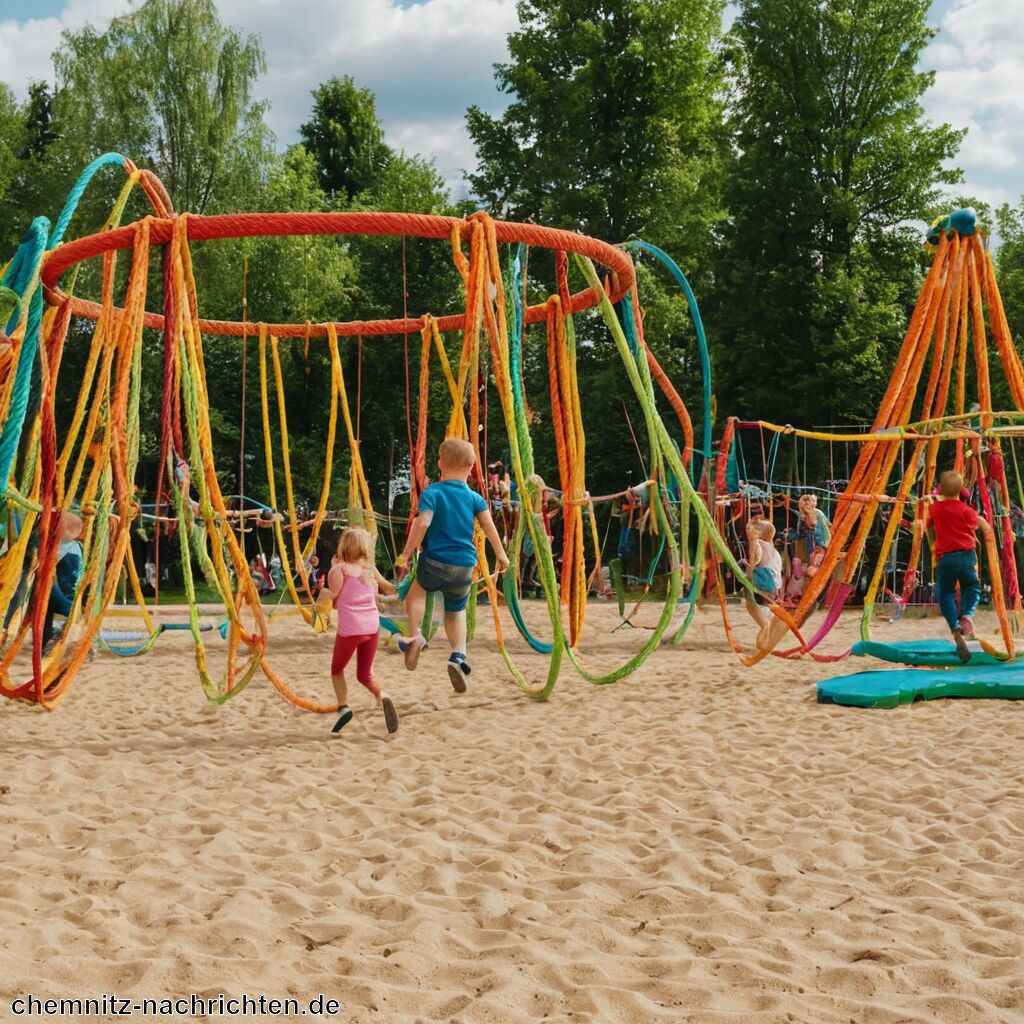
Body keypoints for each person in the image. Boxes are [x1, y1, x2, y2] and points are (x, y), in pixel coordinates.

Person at [397, 437, 510, 691]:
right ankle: (459, 655)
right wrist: (501, 556)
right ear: (471, 468)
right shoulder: (475, 498)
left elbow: (422, 523)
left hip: (434, 561)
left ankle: (415, 636)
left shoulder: (433, 493)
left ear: (440, 464)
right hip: (464, 567)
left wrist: (407, 552)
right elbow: (489, 527)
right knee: (456, 611)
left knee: (415, 596)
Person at [326, 527, 399, 735]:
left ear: (343, 546)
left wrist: (323, 595)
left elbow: (333, 600)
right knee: (365, 674)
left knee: (337, 669)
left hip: (351, 629)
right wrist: (405, 590)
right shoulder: (369, 569)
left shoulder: (338, 570)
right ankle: (383, 696)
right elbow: (386, 586)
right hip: (372, 626)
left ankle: (343, 706)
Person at [927, 469, 993, 663]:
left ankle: (954, 627)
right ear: (961, 490)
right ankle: (968, 615)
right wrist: (983, 524)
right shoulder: (967, 511)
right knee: (972, 586)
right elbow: (979, 522)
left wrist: (930, 499)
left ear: (940, 489)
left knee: (945, 592)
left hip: (946, 559)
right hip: (967, 557)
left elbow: (929, 520)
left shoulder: (936, 509)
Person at [43, 511, 84, 651]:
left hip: (62, 586)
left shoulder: (63, 547)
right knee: (48, 611)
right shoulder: (76, 547)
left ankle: (67, 637)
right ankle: (48, 639)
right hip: (64, 584)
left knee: (61, 607)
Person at [744, 518, 783, 650]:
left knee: (763, 621)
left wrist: (745, 569)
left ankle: (763, 646)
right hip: (772, 583)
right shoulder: (772, 549)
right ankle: (767, 642)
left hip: (762, 581)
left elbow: (753, 564)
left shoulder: (755, 544)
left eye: (750, 530)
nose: (748, 533)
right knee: (766, 614)